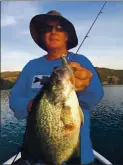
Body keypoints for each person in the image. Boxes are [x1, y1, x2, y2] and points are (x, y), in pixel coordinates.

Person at [9, 10, 104, 165]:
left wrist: (84, 86)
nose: (53, 32)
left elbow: (95, 97)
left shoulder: (81, 61)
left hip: (78, 156)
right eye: (47, 29)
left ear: (67, 36)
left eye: (59, 28)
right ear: (42, 36)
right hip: (38, 153)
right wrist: (30, 105)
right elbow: (14, 98)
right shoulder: (31, 66)